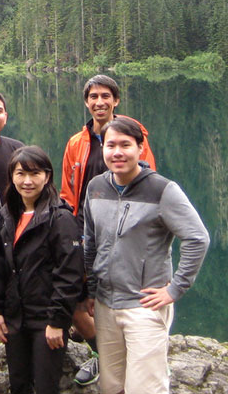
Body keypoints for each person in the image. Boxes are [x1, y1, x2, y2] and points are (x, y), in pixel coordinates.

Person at [83, 117, 209, 394]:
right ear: (102, 148)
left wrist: (175, 288)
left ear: (140, 148)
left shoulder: (162, 190)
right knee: (111, 385)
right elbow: (90, 242)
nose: (117, 152)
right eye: (111, 145)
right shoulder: (96, 187)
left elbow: (197, 238)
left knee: (145, 388)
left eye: (125, 145)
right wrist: (91, 289)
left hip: (144, 306)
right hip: (105, 305)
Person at [60, 74, 156, 386]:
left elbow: (149, 183)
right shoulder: (76, 143)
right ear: (86, 102)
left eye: (105, 96)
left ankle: (133, 358)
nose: (99, 102)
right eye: (93, 97)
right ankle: (104, 353)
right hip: (85, 233)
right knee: (76, 302)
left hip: (128, 236)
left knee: (125, 300)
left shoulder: (133, 134)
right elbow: (67, 195)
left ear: (116, 100)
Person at [0, 146, 83, 394]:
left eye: (35, 173)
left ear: (47, 176)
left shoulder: (60, 218)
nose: (27, 181)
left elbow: (69, 274)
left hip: (46, 321)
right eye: (20, 174)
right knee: (18, 384)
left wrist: (57, 321)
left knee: (45, 387)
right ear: (12, 176)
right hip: (15, 318)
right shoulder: (8, 214)